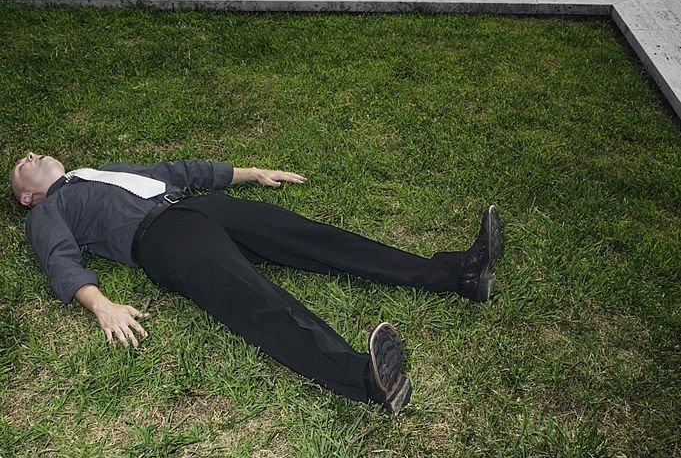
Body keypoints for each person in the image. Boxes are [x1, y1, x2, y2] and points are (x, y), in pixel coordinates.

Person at [10, 152, 502, 416]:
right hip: (160, 238)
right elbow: (59, 258)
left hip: (196, 206)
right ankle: (365, 378)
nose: (29, 154)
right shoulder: (48, 211)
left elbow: (176, 171)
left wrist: (249, 173)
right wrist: (100, 304)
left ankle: (456, 274)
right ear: (28, 197)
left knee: (316, 239)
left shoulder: (100, 170)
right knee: (253, 299)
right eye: (19, 166)